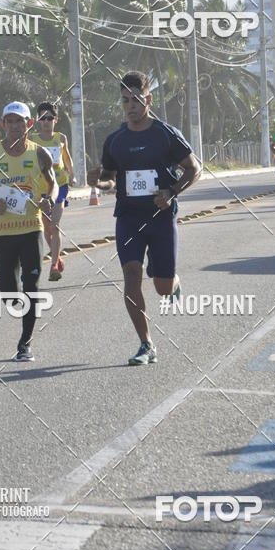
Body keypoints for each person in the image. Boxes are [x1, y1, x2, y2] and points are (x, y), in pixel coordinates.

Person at [87, 71, 201, 366]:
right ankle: (146, 343)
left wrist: (172, 192)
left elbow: (194, 169)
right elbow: (111, 180)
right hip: (128, 218)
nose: (131, 106)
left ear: (148, 100)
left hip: (161, 218)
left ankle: (173, 282)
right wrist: (99, 183)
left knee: (162, 287)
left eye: (136, 100)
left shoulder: (166, 134)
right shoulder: (115, 141)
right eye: (125, 101)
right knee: (131, 274)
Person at [0, 101, 57, 362]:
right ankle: (18, 305)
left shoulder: (39, 153)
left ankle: (25, 343)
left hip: (31, 228)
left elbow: (52, 185)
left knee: (32, 285)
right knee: (10, 294)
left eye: (20, 121)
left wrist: (48, 199)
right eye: (10, 121)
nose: (15, 126)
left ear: (30, 124)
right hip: (3, 230)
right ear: (3, 124)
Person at [29, 102, 75, 281]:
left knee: (55, 225)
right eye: (43, 118)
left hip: (59, 187)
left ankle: (54, 264)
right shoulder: (32, 139)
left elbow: (67, 159)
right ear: (38, 120)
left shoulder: (61, 138)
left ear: (55, 120)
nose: (46, 121)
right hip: (40, 190)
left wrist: (72, 175)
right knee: (46, 228)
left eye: (50, 118)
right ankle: (57, 256)